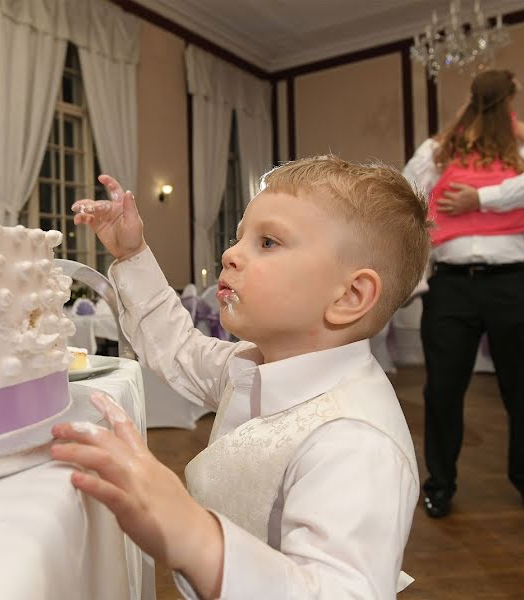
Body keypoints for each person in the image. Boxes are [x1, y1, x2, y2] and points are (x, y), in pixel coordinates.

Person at [51, 157, 431, 599]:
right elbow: (179, 348)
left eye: (267, 242)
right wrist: (133, 255)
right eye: (238, 238)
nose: (230, 254)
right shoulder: (252, 364)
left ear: (349, 296)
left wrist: (190, 531)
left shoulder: (356, 442)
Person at [402, 69, 524, 522]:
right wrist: (451, 134)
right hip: (451, 285)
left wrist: (482, 198)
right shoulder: (442, 154)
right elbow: (409, 180)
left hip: (513, 283)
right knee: (443, 392)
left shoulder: (518, 154)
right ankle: (440, 484)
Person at [410, 71, 524, 304]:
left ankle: (418, 279)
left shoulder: (512, 152)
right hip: (451, 281)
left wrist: (481, 197)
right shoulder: (513, 128)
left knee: (428, 225)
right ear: (508, 100)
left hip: (511, 278)